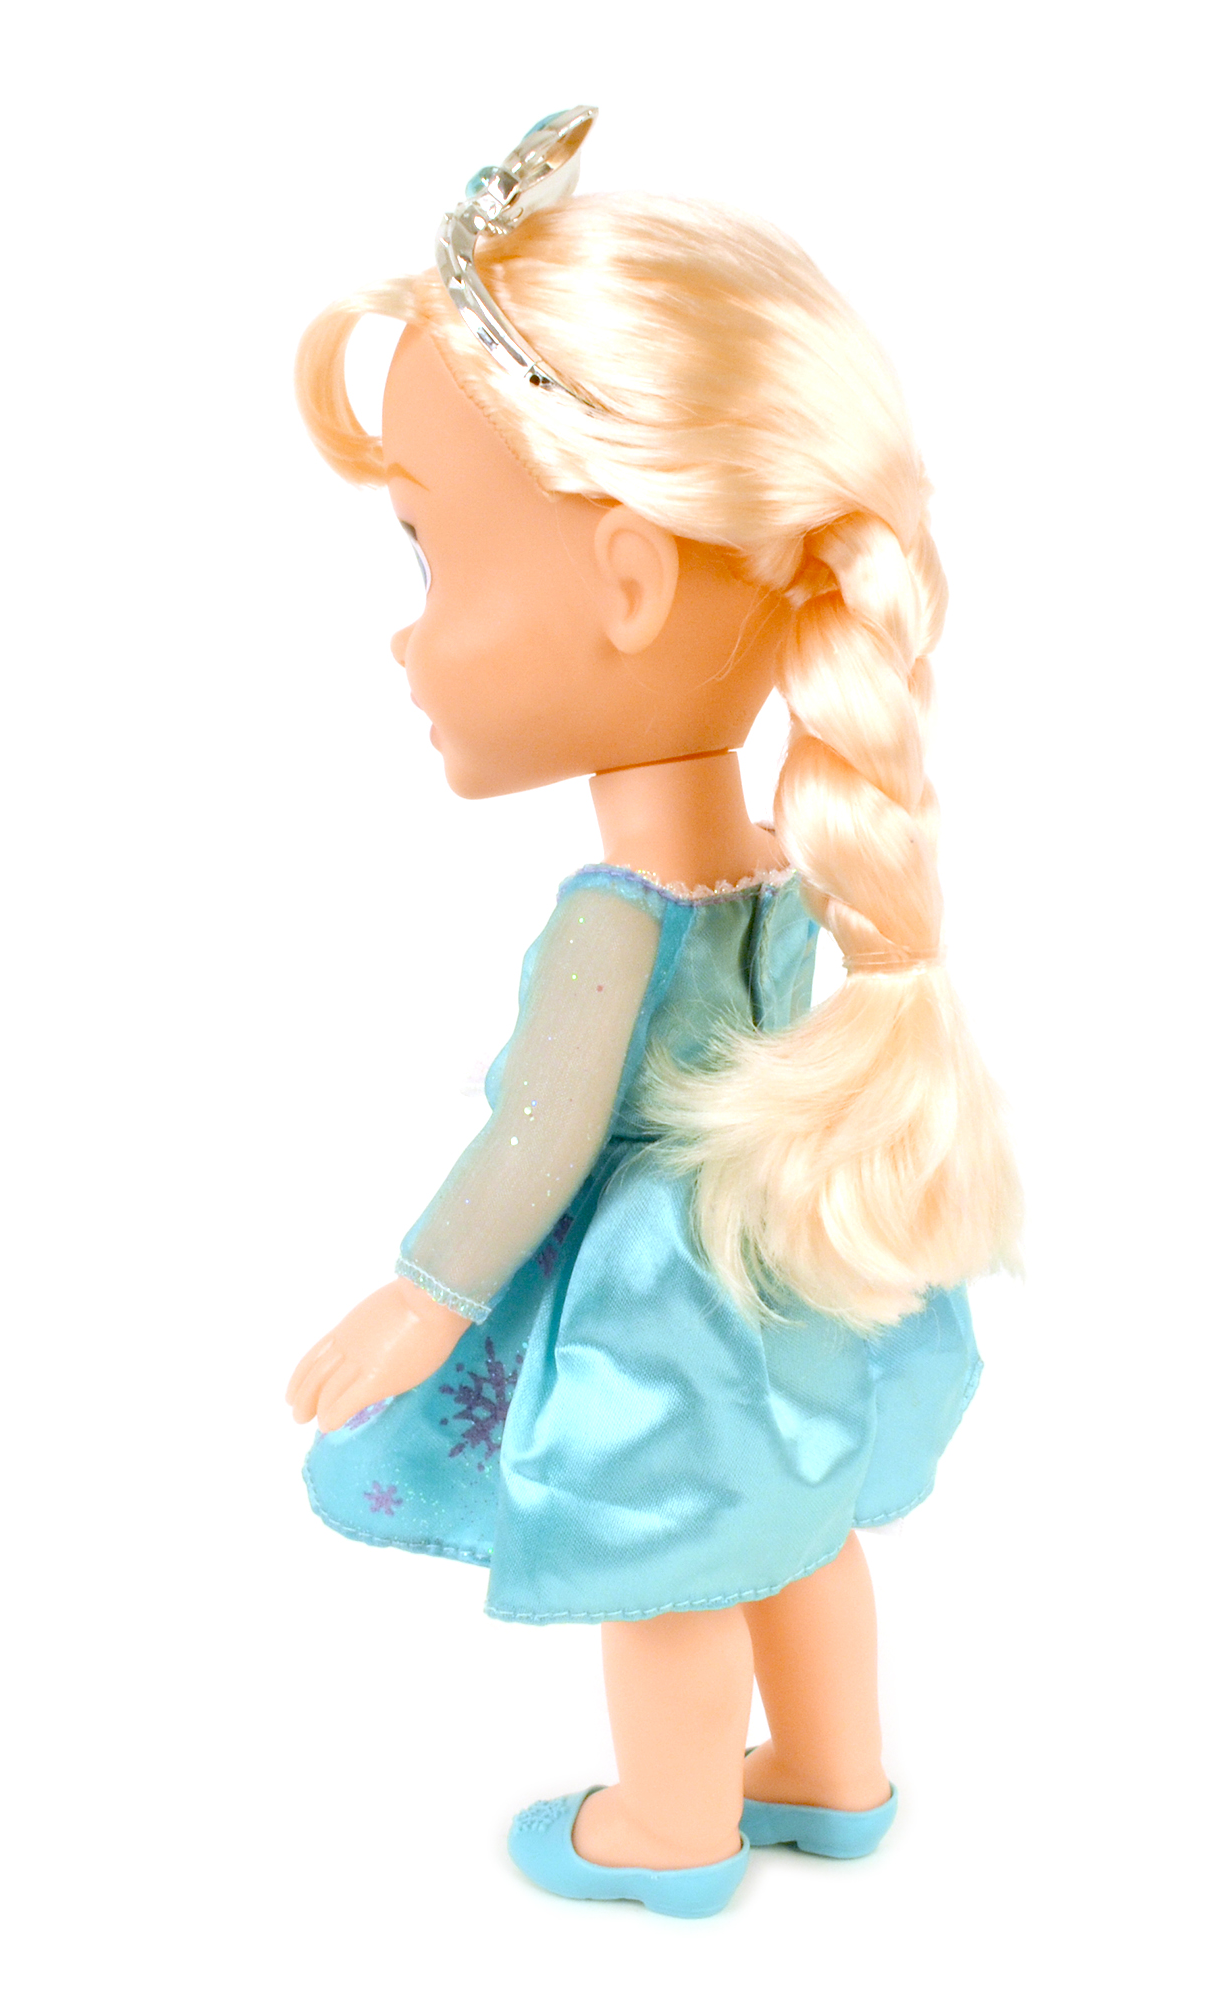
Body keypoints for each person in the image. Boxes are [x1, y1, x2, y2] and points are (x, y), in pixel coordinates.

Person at [284, 109, 1021, 1918]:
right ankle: (832, 1776)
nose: (403, 638)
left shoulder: (617, 917)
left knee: (665, 1555)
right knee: (800, 1516)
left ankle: (671, 1827)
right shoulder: (780, 865)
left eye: (430, 558)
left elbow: (540, 1136)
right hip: (780, 1254)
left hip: (658, 1305)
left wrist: (423, 1292)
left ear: (626, 583)